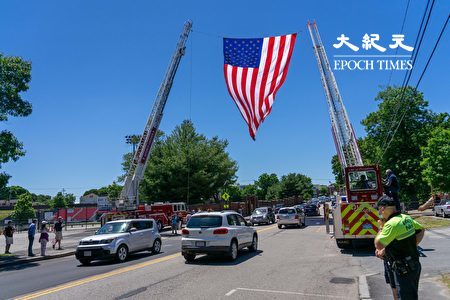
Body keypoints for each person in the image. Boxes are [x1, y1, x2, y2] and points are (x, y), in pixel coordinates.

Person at [375, 196, 425, 300]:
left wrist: (380, 227)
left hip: (403, 269)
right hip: (413, 264)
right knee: (410, 295)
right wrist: (412, 244)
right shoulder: (405, 217)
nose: (379, 212)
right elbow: (421, 230)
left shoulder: (391, 224)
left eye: (379, 209)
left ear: (383, 208)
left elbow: (378, 244)